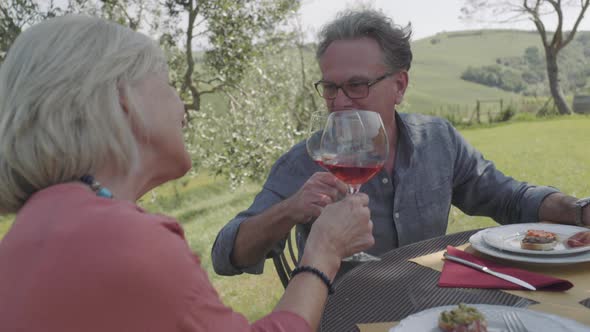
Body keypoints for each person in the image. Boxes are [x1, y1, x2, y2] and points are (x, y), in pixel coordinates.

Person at [0, 15, 375, 331]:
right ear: (123, 99)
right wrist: (324, 250)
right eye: (168, 84)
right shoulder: (123, 241)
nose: (183, 107)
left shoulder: (36, 231)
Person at [211, 9, 590, 278]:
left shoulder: (438, 140)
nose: (340, 102)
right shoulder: (306, 161)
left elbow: (509, 198)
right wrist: (290, 210)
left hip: (431, 304)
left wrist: (579, 211)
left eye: (357, 85)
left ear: (400, 86)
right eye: (330, 87)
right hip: (341, 314)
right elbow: (225, 255)